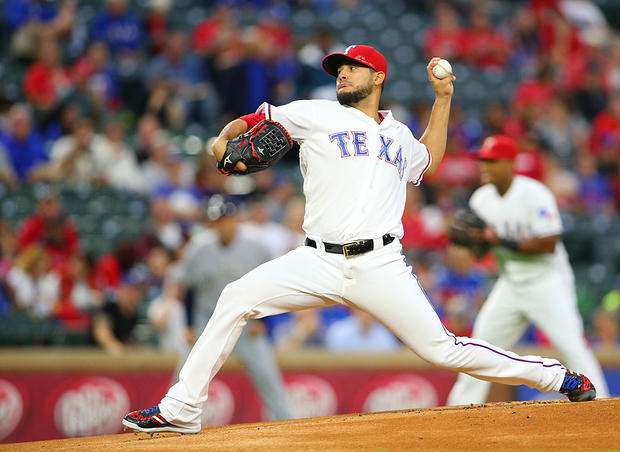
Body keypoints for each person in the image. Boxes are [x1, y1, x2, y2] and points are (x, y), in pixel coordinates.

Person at [123, 45, 597, 435]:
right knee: (235, 297)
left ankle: (555, 376)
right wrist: (222, 140)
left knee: (442, 349)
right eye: (339, 69)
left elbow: (428, 158)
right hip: (316, 260)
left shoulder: (399, 135)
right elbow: (251, 121)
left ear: (378, 78)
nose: (343, 74)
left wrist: (443, 98)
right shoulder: (316, 114)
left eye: (354, 68)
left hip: (381, 265)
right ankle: (182, 409)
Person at [447, 135, 609, 406]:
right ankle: (458, 411)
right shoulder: (481, 199)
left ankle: (603, 406)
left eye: (492, 161)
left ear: (510, 163)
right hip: (509, 283)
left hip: (547, 282)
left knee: (573, 348)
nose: (485, 166)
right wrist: (473, 242)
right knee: (478, 350)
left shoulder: (534, 194)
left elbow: (549, 243)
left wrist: (498, 240)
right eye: (483, 160)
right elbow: (483, 252)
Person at [151, 196, 294, 421]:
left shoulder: (257, 247)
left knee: (269, 377)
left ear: (236, 219)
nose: (222, 225)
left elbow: (270, 286)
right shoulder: (198, 248)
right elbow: (189, 289)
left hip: (246, 323)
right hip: (206, 323)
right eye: (217, 220)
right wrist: (189, 325)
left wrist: (264, 321)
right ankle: (170, 419)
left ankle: (288, 422)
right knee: (186, 376)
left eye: (226, 219)